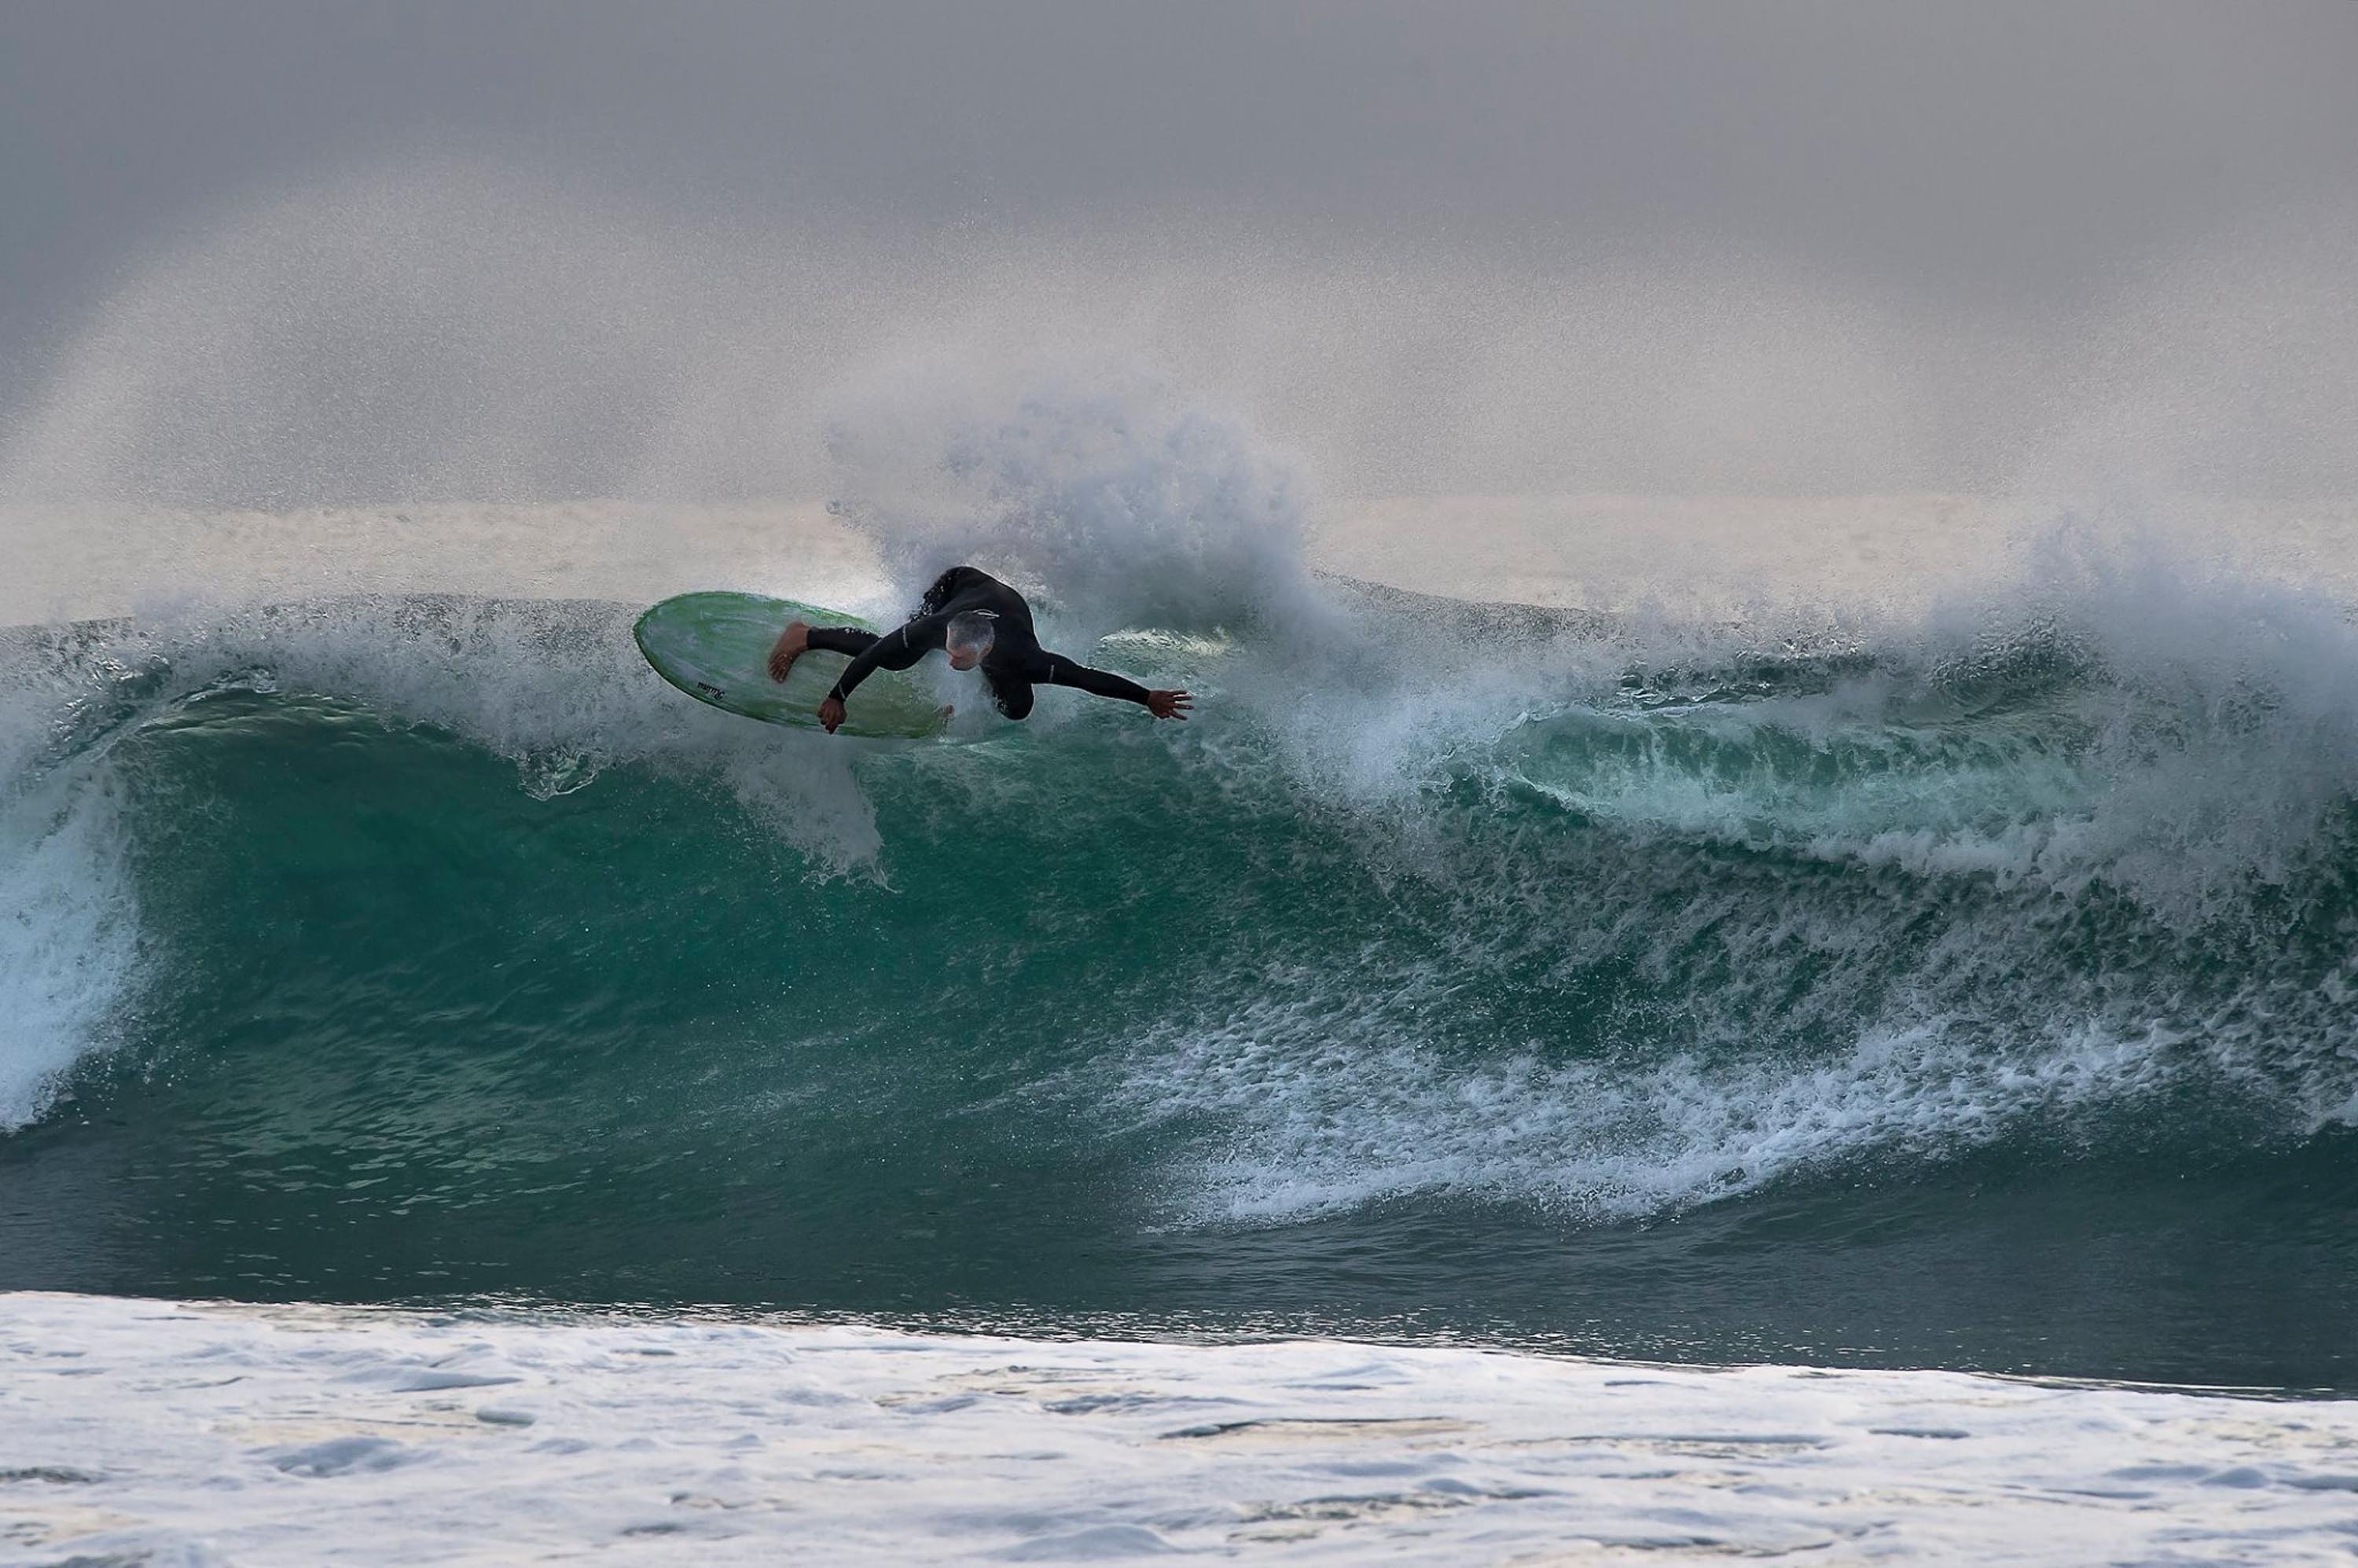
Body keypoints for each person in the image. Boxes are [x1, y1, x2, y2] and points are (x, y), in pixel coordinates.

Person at [767, 565, 1193, 732]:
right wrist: (838, 696)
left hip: (1004, 616)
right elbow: (874, 656)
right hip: (957, 585)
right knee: (895, 656)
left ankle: (981, 690)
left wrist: (1146, 697)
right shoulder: (937, 627)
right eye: (950, 654)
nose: (952, 662)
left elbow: (1085, 679)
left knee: (1018, 708)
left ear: (984, 650)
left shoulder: (1025, 658)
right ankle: (805, 635)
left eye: (961, 660)